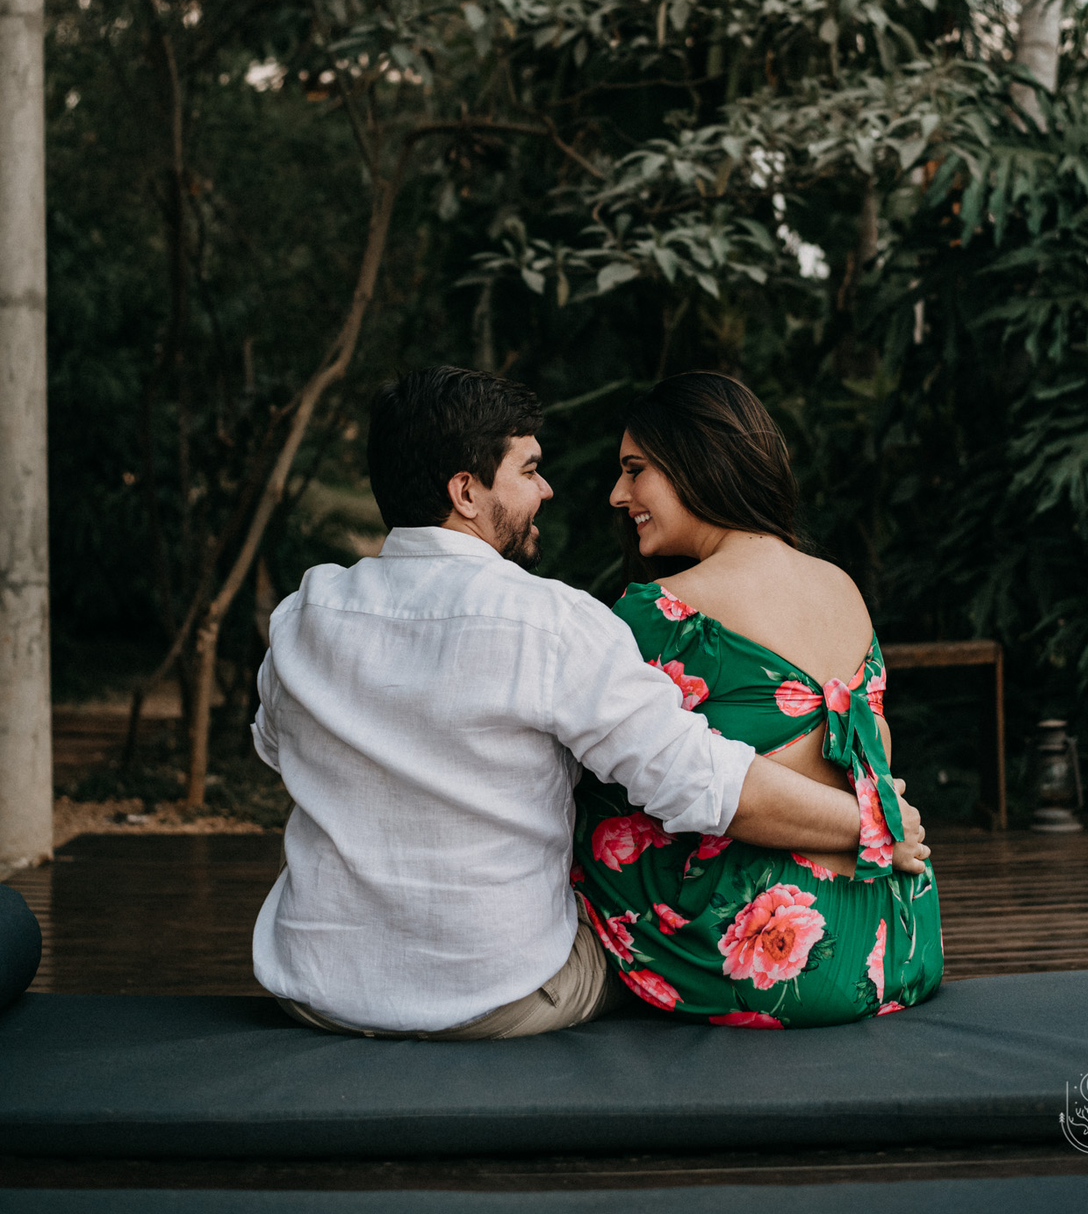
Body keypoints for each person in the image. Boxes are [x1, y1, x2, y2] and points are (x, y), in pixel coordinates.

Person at [251, 365, 930, 1040]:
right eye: (528, 470)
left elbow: (275, 745)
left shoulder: (301, 616)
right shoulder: (551, 622)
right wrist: (876, 822)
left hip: (314, 986)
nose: (549, 489)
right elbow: (701, 780)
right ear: (465, 492)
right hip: (499, 996)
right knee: (620, 783)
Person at [572, 372, 943, 1027]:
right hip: (900, 940)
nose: (617, 495)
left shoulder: (658, 614)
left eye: (635, 470)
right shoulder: (840, 587)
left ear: (697, 462)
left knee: (580, 775)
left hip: (779, 963)